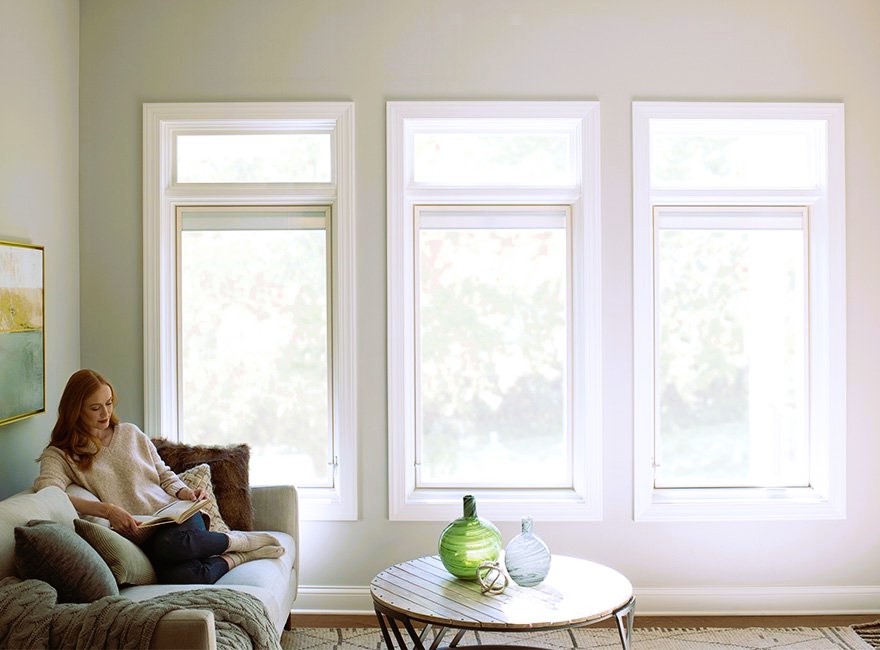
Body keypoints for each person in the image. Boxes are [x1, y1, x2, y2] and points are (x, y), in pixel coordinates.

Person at [33, 369, 284, 584]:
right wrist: (107, 510)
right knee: (187, 576)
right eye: (95, 407)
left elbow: (164, 474)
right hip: (142, 530)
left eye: (109, 403)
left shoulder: (130, 433)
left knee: (176, 544)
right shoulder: (60, 455)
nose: (105, 413)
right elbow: (49, 493)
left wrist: (185, 492)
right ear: (75, 410)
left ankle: (239, 541)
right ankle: (238, 556)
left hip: (175, 514)